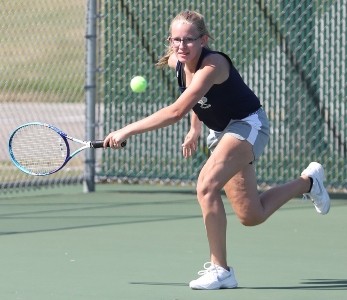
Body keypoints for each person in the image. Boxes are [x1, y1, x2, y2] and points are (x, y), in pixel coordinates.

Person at [104, 10, 330, 290]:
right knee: (251, 214)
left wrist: (126, 130)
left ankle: (221, 270)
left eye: (189, 40)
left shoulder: (214, 65)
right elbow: (197, 100)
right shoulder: (177, 60)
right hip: (220, 133)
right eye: (175, 39)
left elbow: (177, 109)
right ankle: (309, 182)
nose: (181, 45)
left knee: (206, 186)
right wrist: (194, 129)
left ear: (204, 39)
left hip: (248, 126)